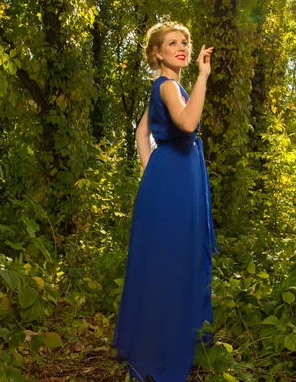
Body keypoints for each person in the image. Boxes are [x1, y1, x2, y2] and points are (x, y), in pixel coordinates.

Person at [112, 21, 218, 382]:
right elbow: (188, 124)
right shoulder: (170, 85)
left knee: (164, 260)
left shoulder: (162, 87)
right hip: (174, 179)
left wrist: (151, 174)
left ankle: (158, 337)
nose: (183, 47)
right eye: (173, 43)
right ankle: (166, 346)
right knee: (174, 261)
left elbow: (142, 133)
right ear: (157, 53)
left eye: (185, 41)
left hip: (168, 178)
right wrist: (203, 75)